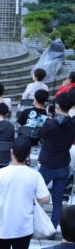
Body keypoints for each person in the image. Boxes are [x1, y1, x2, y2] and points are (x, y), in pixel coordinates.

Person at [38, 93, 75, 228]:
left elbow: (40, 134)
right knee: (58, 199)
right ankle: (53, 227)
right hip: (63, 165)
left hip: (48, 165)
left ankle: (35, 224)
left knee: (35, 196)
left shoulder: (51, 123)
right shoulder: (72, 123)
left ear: (57, 106)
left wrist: (49, 117)